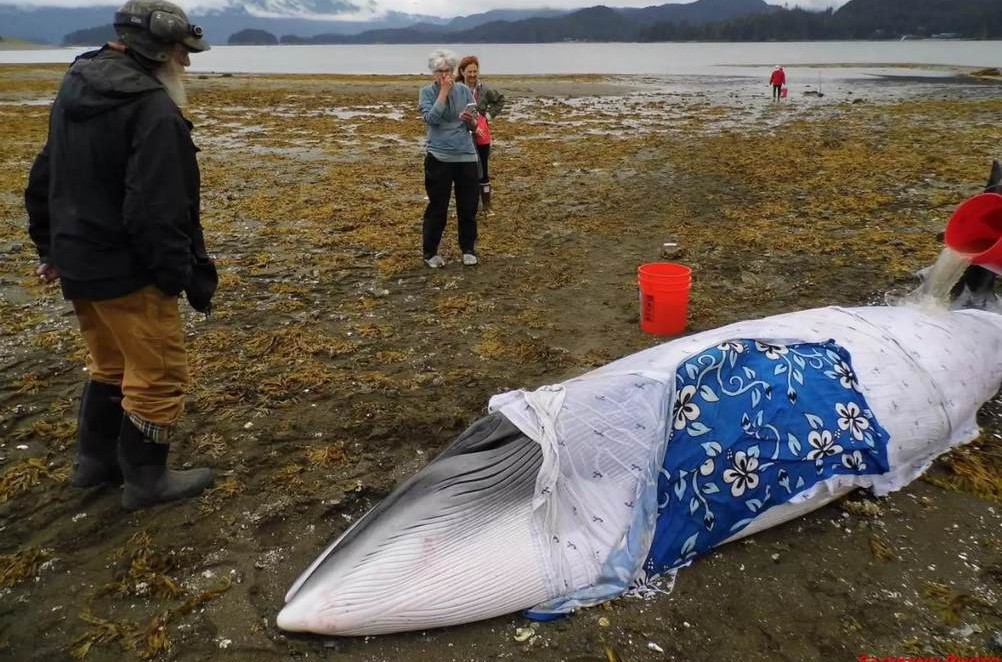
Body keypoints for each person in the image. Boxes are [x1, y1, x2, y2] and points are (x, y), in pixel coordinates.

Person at [24, 0, 217, 510]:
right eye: (180, 51)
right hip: (129, 272)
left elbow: (47, 173)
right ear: (156, 49)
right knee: (158, 375)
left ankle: (95, 462)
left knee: (110, 363)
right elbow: (157, 207)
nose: (186, 62)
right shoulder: (153, 109)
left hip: (79, 263)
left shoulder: (75, 85)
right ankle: (147, 480)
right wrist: (173, 275)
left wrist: (50, 246)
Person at [419, 48, 480, 268]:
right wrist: (443, 93)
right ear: (433, 73)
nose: (445, 75)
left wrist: (470, 120)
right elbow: (431, 119)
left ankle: (468, 249)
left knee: (468, 207)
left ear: (454, 71)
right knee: (438, 207)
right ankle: (430, 252)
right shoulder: (426, 93)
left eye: (448, 71)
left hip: (466, 156)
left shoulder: (464, 90)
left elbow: (474, 124)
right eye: (440, 71)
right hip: (439, 157)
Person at [457, 55, 506, 216]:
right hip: (463, 135)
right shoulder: (456, 89)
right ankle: (468, 205)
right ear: (462, 72)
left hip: (482, 135)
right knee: (465, 170)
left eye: (475, 71)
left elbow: (500, 100)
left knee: (483, 169)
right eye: (469, 71)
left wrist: (488, 117)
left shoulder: (484, 89)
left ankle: (486, 205)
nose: (472, 75)